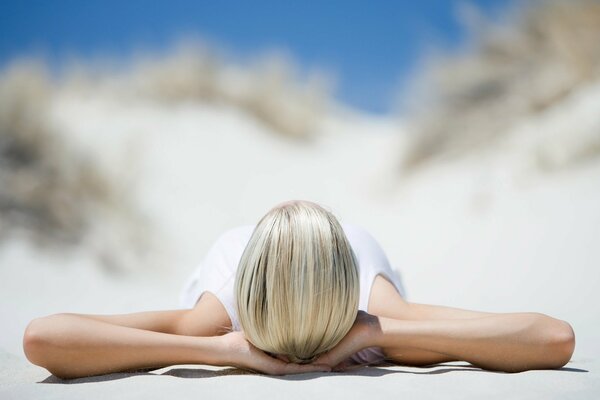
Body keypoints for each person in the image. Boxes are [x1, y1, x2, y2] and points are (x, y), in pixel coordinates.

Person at [23, 200, 575, 379]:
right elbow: (43, 338)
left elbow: (554, 339)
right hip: (268, 261)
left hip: (337, 260)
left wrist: (371, 330)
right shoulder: (222, 309)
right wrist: (216, 346)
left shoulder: (374, 308)